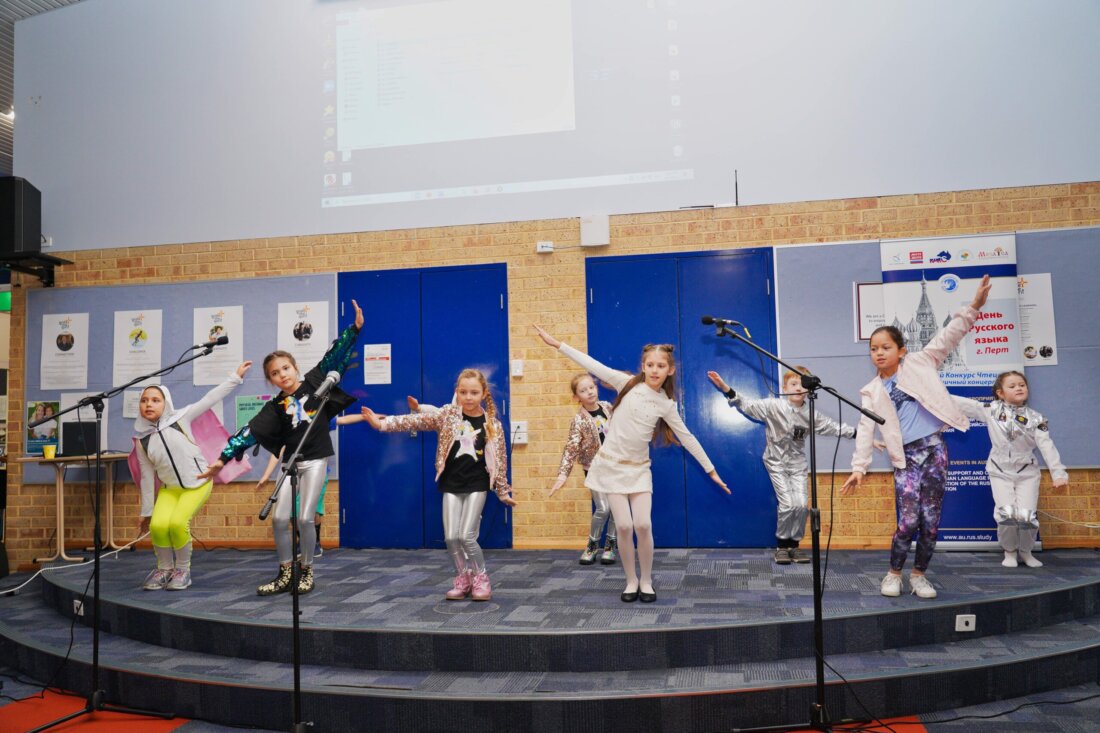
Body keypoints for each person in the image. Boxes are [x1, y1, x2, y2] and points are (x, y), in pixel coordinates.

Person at [533, 325, 729, 604]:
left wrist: (711, 470)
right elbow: (592, 364)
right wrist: (557, 344)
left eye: (661, 366)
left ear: (670, 370)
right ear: (643, 366)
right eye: (650, 365)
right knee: (624, 526)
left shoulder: (666, 404)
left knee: (643, 525)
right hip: (610, 467)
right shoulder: (626, 383)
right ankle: (631, 581)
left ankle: (646, 580)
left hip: (638, 470)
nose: (655, 370)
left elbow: (687, 437)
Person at [842, 275, 992, 600]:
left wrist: (974, 307)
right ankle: (894, 573)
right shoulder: (871, 391)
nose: (879, 353)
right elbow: (866, 430)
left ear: (901, 350)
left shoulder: (921, 362)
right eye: (873, 349)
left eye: (886, 348)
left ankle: (919, 575)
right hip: (905, 458)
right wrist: (859, 467)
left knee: (931, 521)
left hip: (934, 450)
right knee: (909, 520)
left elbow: (949, 335)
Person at [199, 300, 364, 596]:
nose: (282, 375)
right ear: (270, 380)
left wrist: (354, 330)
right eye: (275, 373)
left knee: (305, 518)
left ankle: (307, 570)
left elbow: (335, 355)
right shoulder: (276, 406)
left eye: (286, 368)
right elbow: (250, 431)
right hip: (291, 464)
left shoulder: (315, 382)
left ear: (295, 367)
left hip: (315, 461)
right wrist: (223, 459)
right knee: (278, 518)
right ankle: (286, 572)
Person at [362, 369, 517, 601]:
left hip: (477, 484)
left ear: (484, 393)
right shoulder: (448, 415)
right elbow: (415, 420)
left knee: (467, 536)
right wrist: (382, 424)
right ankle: (463, 578)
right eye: (463, 392)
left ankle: (481, 578)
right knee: (451, 537)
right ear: (457, 392)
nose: (468, 397)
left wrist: (502, 491)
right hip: (451, 483)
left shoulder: (491, 424)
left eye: (474, 392)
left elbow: (500, 460)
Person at [706, 366, 856, 565]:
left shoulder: (811, 414)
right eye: (793, 384)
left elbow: (833, 427)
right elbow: (748, 405)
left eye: (802, 384)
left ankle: (794, 545)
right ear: (785, 388)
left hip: (797, 464)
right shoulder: (773, 406)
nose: (798, 388)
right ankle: (782, 546)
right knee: (787, 504)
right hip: (775, 462)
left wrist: (860, 435)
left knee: (801, 504)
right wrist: (726, 388)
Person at [134, 361, 253, 590]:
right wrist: (146, 512)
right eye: (144, 400)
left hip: (198, 484)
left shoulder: (180, 419)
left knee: (177, 523)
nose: (149, 404)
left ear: (166, 403)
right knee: (158, 526)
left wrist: (235, 378)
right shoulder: (142, 440)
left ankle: (182, 570)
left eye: (155, 400)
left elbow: (209, 398)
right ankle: (164, 569)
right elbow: (147, 478)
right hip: (170, 490)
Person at [953, 371, 1067, 568]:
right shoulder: (991, 410)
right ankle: (1010, 552)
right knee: (1007, 515)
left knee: (1027, 516)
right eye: (1012, 386)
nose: (1018, 388)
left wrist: (1058, 473)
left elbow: (1047, 446)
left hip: (1027, 472)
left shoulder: (1037, 418)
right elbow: (963, 404)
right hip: (999, 471)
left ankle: (1026, 551)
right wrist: (931, 392)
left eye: (1022, 385)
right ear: (1000, 393)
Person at [254, 411, 369, 559]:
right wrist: (266, 475)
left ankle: (315, 543)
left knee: (312, 509)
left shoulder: (318, 419)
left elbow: (343, 420)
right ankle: (301, 540)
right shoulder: (289, 427)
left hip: (316, 473)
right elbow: (278, 452)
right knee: (292, 511)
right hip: (294, 472)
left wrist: (366, 417)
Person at [549, 373, 617, 565]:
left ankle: (610, 545)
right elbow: (571, 448)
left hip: (615, 466)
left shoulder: (608, 408)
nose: (589, 392)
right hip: (594, 469)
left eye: (591, 387)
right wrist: (562, 475)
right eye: (583, 390)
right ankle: (592, 545)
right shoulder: (579, 420)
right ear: (576, 397)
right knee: (603, 508)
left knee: (616, 508)